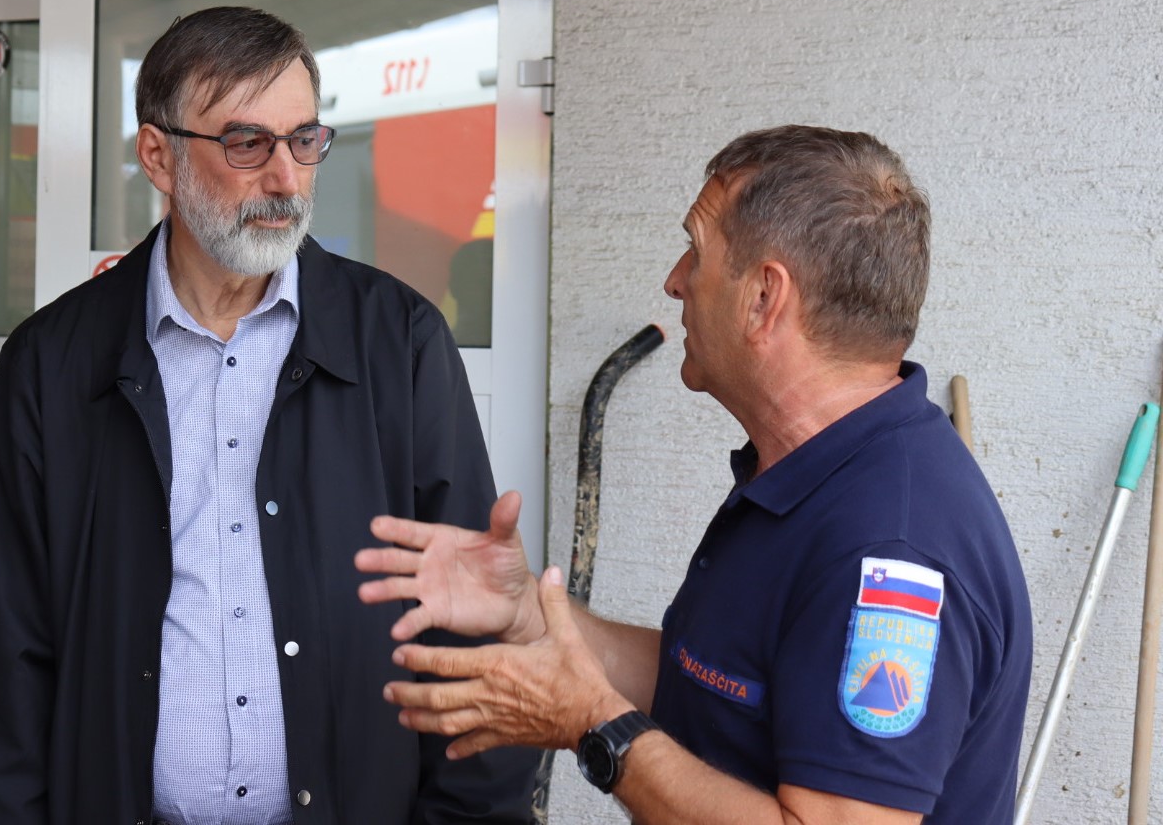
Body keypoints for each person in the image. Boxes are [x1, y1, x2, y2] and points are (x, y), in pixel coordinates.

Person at [0, 6, 538, 824]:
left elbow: (470, 636)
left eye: (305, 140)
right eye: (246, 143)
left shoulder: (397, 342)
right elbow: (5, 664)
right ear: (158, 156)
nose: (286, 178)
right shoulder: (52, 363)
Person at [357, 125, 1032, 825]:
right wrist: (528, 614)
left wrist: (595, 725)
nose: (675, 280)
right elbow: (709, 692)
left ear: (764, 298)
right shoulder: (805, 476)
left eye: (697, 251)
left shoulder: (890, 545)